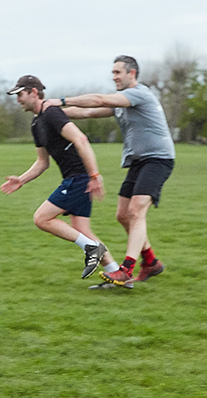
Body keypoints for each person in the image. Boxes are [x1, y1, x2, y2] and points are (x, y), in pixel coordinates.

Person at [50, 55, 174, 287]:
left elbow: (98, 99)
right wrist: (49, 111)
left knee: (136, 211)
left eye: (118, 72)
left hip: (158, 159)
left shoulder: (139, 94)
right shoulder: (120, 105)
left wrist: (62, 99)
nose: (113, 76)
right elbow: (86, 112)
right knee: (123, 215)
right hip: (138, 162)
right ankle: (151, 262)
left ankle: (126, 269)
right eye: (113, 73)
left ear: (132, 74)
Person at [1, 75, 124, 289]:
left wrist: (95, 176)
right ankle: (116, 273)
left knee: (41, 218)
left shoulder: (51, 113)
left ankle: (91, 249)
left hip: (80, 178)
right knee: (83, 230)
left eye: (20, 94)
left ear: (34, 92)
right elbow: (42, 162)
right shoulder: (36, 123)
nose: (18, 99)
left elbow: (80, 139)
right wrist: (21, 180)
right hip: (75, 178)